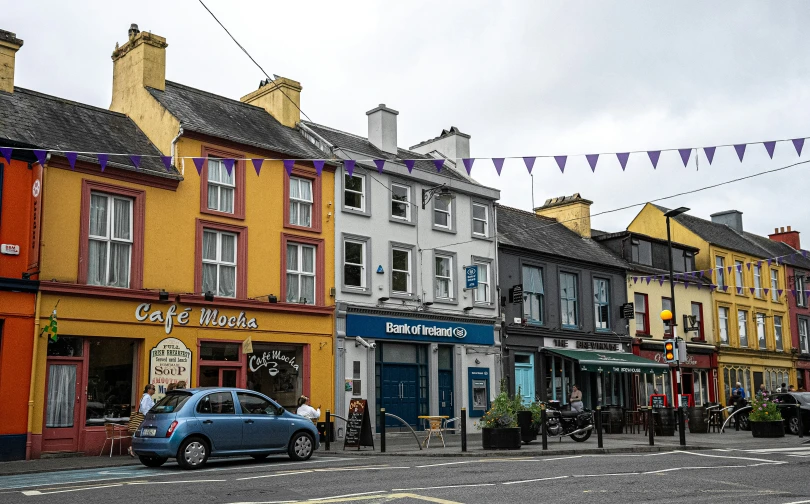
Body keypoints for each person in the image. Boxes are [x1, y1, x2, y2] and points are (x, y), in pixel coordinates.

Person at [128, 384, 155, 457]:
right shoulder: (147, 397)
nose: (154, 390)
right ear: (149, 390)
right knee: (139, 433)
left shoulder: (146, 397)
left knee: (141, 433)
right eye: (153, 389)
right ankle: (133, 448)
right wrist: (147, 416)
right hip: (143, 418)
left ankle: (135, 448)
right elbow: (144, 408)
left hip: (144, 417)